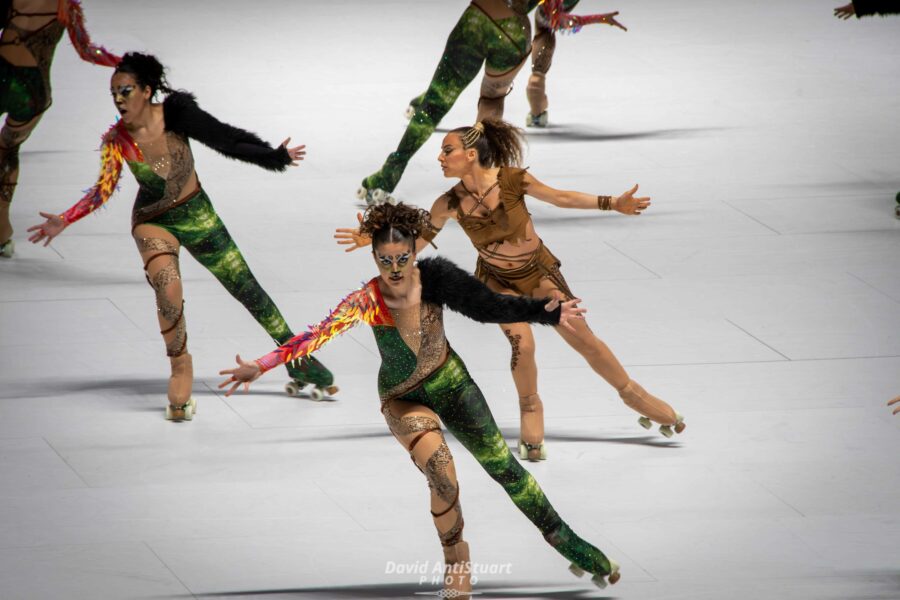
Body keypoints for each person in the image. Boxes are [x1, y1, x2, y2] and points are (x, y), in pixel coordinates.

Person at [220, 202, 621, 595]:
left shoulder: (437, 279)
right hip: (402, 397)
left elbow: (488, 307)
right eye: (384, 260)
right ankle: (456, 561)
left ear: (416, 250)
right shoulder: (367, 301)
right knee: (442, 472)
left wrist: (546, 313)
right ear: (374, 257)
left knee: (507, 470)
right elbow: (316, 335)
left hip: (453, 384)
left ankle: (565, 539)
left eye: (402, 258)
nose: (394, 269)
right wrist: (264, 363)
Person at [338, 119, 684, 461]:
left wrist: (612, 203)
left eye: (448, 150)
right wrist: (377, 239)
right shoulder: (448, 204)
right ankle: (530, 406)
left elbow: (560, 197)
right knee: (524, 343)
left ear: (471, 154)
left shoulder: (513, 179)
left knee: (581, 337)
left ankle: (631, 394)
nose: (440, 158)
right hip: (495, 279)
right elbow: (417, 244)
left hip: (538, 273)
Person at [27, 52, 336, 421]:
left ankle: (295, 356)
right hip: (152, 220)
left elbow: (228, 140)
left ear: (146, 90)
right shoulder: (116, 140)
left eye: (125, 90)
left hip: (198, 214)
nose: (119, 99)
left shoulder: (177, 114)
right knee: (167, 286)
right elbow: (102, 190)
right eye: (114, 94)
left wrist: (274, 155)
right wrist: (65, 218)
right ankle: (180, 366)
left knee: (247, 289)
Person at [357, 0, 625, 205]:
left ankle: (387, 175)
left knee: (437, 100)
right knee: (491, 98)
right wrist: (594, 19)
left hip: (482, 14)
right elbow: (549, 18)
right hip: (514, 35)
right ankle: (481, 182)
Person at [0, 0, 120, 258]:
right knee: (7, 148)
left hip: (3, 77)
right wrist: (123, 61)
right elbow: (88, 51)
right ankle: (1, 232)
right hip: (33, 92)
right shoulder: (65, 7)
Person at [526, 0, 626, 128]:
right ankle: (536, 114)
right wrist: (601, 18)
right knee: (536, 80)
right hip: (546, 23)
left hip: (545, 22)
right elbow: (565, 20)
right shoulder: (548, 17)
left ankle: (536, 113)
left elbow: (563, 20)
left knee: (537, 78)